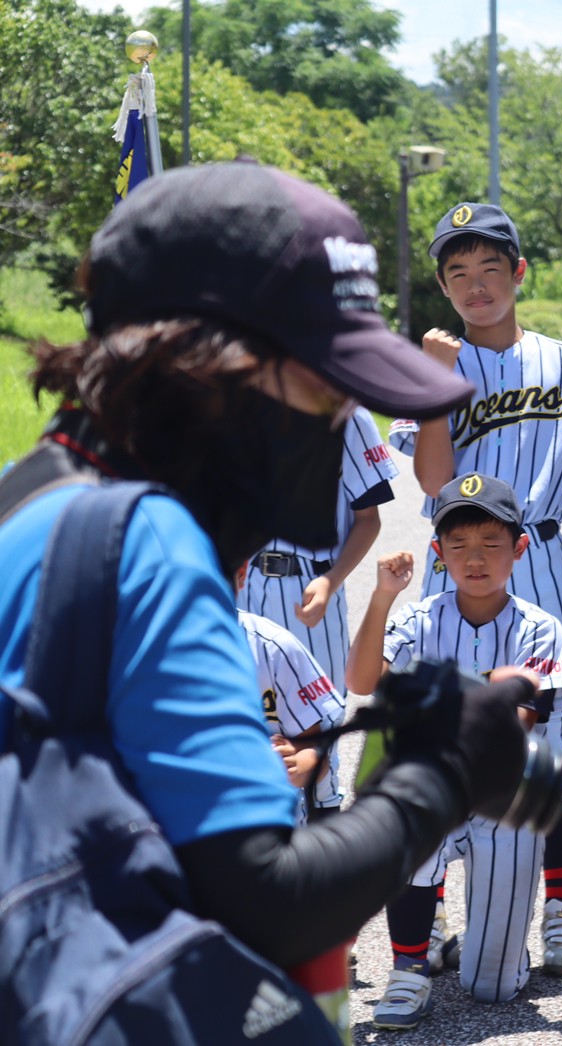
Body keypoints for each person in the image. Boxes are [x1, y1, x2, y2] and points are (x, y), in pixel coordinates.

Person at [0, 161, 530, 990]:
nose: (341, 420)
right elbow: (272, 902)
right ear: (211, 367)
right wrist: (441, 771)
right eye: (327, 389)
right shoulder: (151, 551)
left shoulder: (32, 500)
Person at [390, 201, 562, 973]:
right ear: (444, 288)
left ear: (519, 272)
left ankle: (558, 913)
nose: (477, 286)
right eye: (459, 274)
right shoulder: (431, 366)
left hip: (546, 559)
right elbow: (429, 478)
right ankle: (443, 909)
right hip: (461, 565)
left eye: (491, 269)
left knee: (550, 744)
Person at [345, 472, 562, 1029]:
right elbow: (359, 678)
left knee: (493, 988)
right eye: (459, 544)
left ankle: (473, 946)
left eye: (491, 544)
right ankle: (408, 969)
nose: (475, 558)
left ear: (519, 548)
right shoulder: (418, 618)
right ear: (437, 550)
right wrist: (381, 596)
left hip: (504, 800)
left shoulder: (539, 629)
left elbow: (514, 722)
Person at [239, 404, 395, 820]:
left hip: (310, 586)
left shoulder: (348, 415)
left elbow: (368, 519)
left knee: (319, 727)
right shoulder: (233, 403)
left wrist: (333, 580)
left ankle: (322, 854)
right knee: (246, 715)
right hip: (242, 579)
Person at [238, 608, 345, 825]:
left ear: (240, 577)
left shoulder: (271, 647)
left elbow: (315, 751)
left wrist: (298, 763)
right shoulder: (153, 646)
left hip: (270, 824)